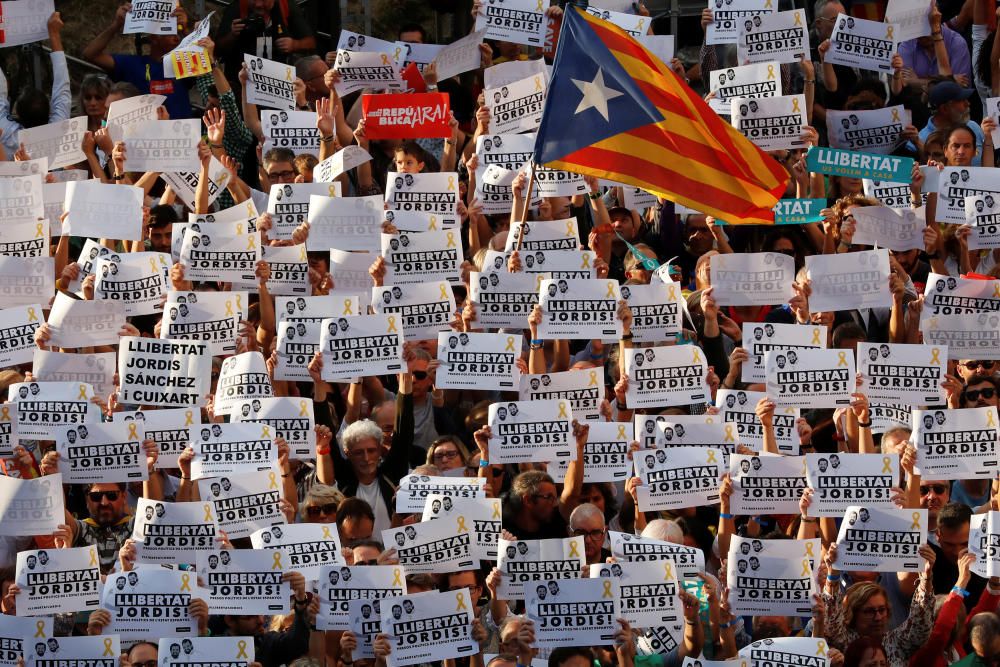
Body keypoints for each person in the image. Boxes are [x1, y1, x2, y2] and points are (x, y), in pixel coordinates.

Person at [82, 3, 194, 119]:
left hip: (183, 134)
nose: (177, 38)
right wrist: (116, 25)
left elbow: (206, 59)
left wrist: (185, 30)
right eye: (169, 32)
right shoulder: (132, 64)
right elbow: (90, 54)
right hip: (144, 134)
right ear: (153, 38)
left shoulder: (183, 63)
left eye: (178, 32)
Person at [0, 12, 69, 158]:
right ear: (50, 110)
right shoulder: (59, 131)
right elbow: (62, 87)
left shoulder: (6, 134)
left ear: (16, 114)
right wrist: (54, 34)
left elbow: (0, 92)